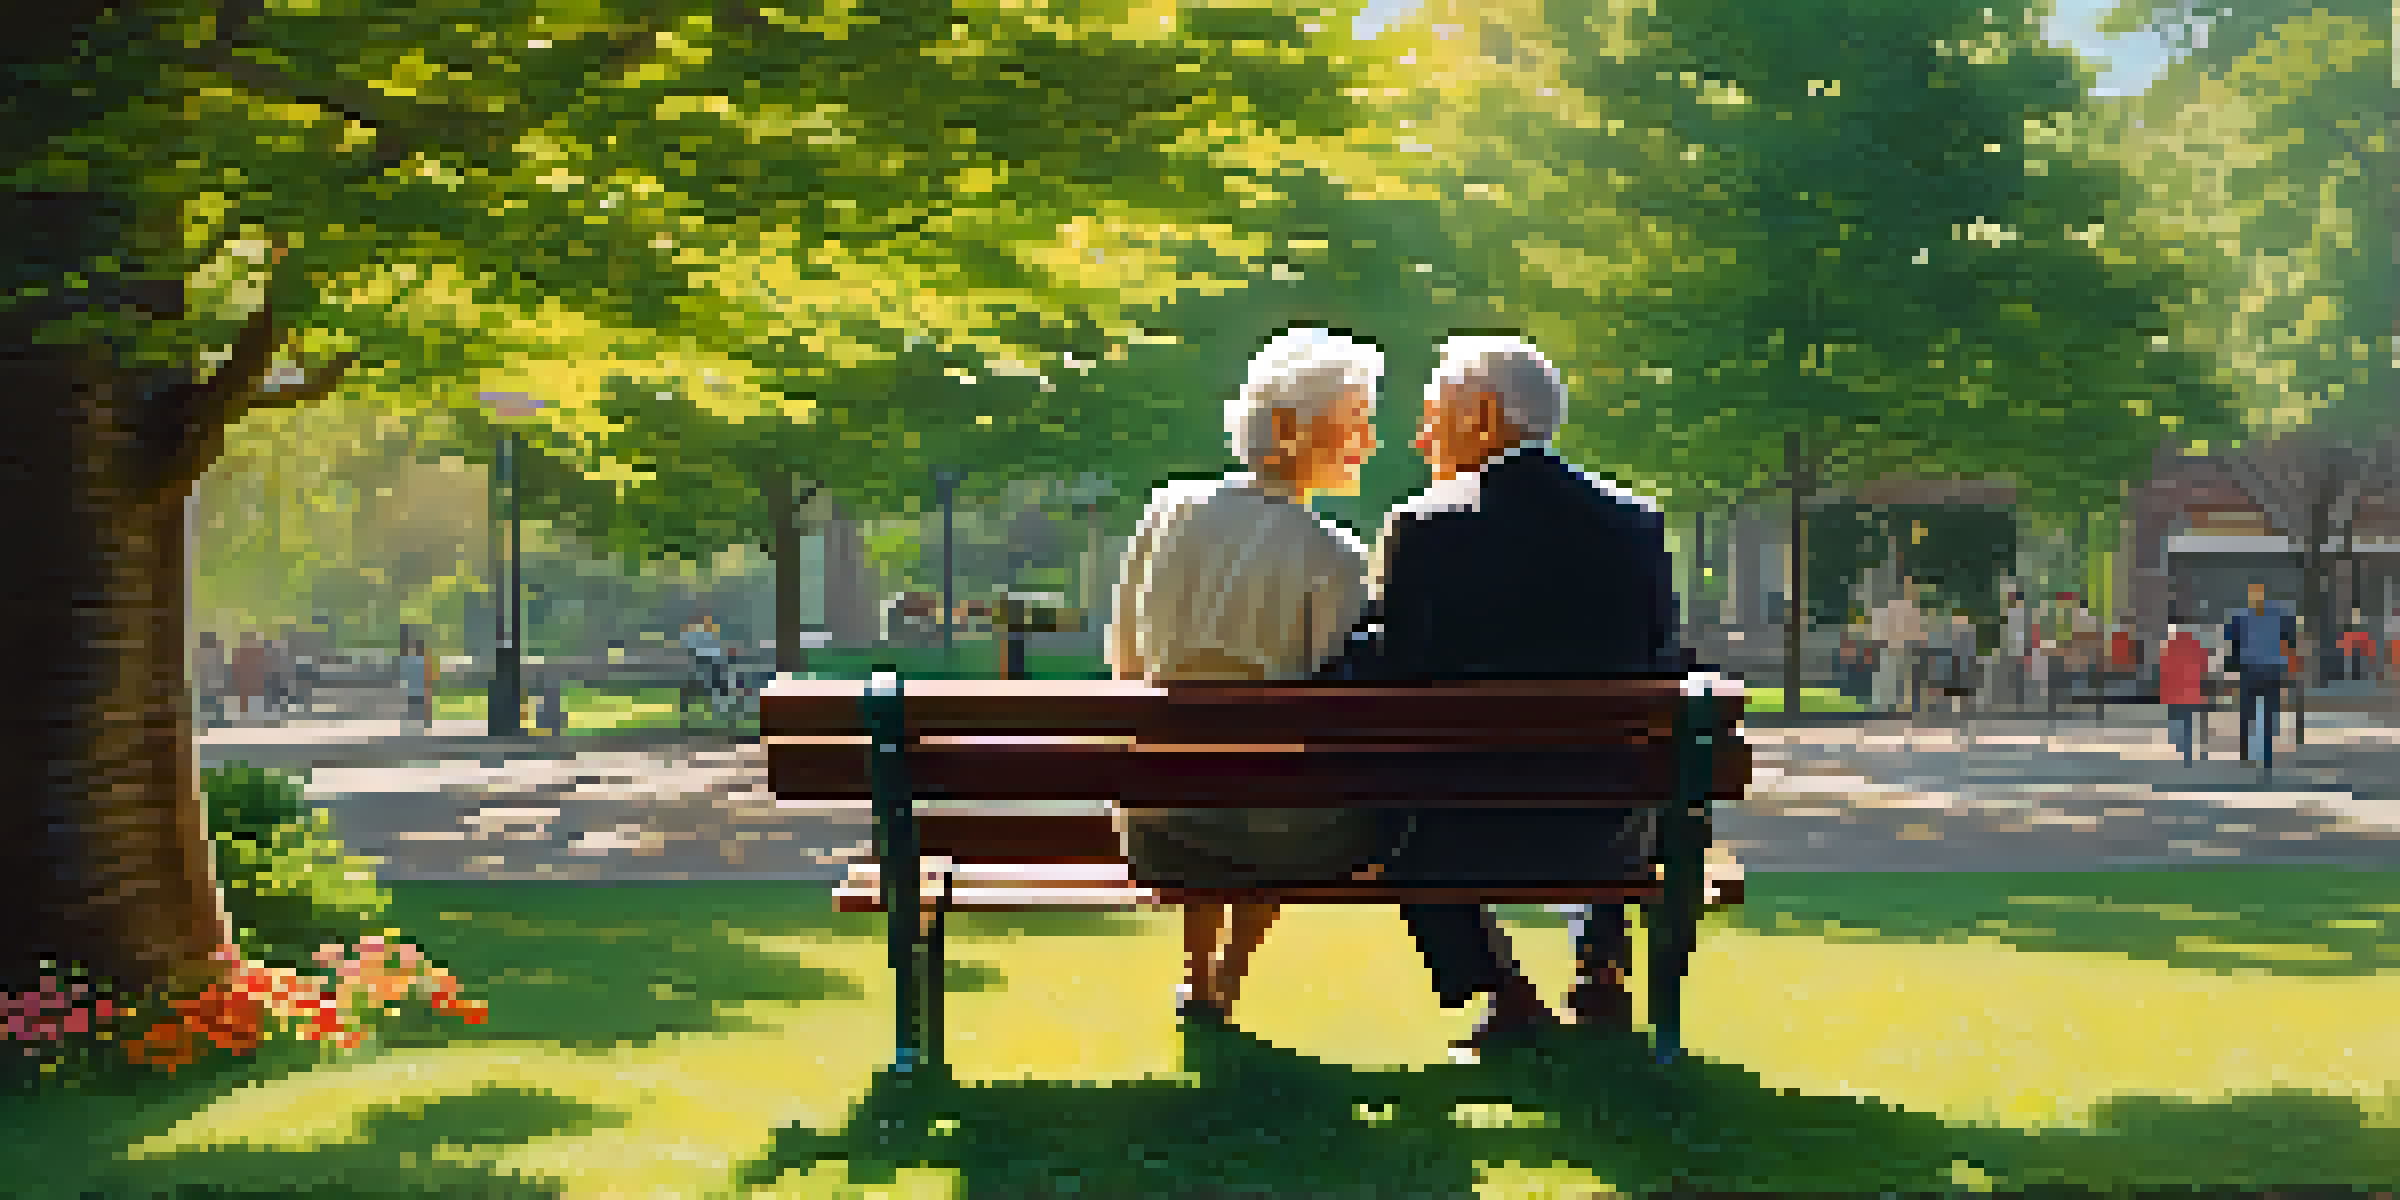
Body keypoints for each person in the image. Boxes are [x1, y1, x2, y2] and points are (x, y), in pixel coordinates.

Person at [1315, 335, 1688, 1056]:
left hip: (1466, 827)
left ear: (1482, 415)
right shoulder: (1635, 525)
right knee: (1608, 770)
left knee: (1395, 825)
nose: (1423, 436)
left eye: (1435, 415)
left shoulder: (1426, 526)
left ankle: (1504, 995)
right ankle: (1602, 961)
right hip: (1606, 827)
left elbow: (1396, 670)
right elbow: (1662, 659)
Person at [1108, 327, 1392, 1026]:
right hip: (1281, 827)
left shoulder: (1168, 510)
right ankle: (1226, 979)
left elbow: (1125, 656)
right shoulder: (1336, 555)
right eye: (1356, 420)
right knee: (1278, 793)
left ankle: (1200, 979)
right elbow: (1332, 693)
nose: (1370, 441)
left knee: (1208, 781)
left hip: (1157, 820)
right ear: (1296, 429)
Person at [2222, 579, 2296, 768]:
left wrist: (2232, 667)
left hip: (2255, 669)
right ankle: (2260, 752)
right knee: (2262, 712)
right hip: (2266, 669)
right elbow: (2289, 639)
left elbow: (2233, 645)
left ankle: (2251, 752)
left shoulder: (2242, 616)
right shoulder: (2277, 614)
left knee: (2251, 712)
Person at [2159, 622, 2213, 765]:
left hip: (2175, 693)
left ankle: (2184, 751)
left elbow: (2164, 671)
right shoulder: (2197, 646)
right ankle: (2197, 752)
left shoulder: (2169, 647)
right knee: (2191, 723)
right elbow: (2204, 668)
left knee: (2178, 723)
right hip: (2193, 692)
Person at [1870, 579, 1926, 715]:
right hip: (1894, 648)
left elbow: (1917, 631)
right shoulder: (1895, 607)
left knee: (1902, 680)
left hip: (1902, 649)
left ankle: (1898, 709)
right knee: (1892, 679)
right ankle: (1887, 708)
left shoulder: (1911, 609)